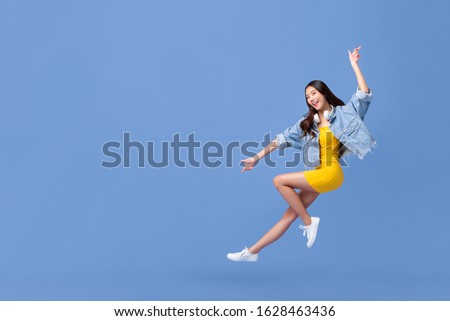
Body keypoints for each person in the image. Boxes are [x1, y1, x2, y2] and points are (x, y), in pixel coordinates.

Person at [227, 46, 376, 262]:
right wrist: (256, 158)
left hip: (331, 172)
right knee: (288, 216)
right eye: (307, 97)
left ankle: (308, 222)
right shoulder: (308, 124)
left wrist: (354, 65)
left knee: (279, 181)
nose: (311, 99)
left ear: (324, 92)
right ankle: (251, 252)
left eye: (313, 93)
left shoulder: (344, 114)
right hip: (319, 172)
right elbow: (281, 138)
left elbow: (363, 95)